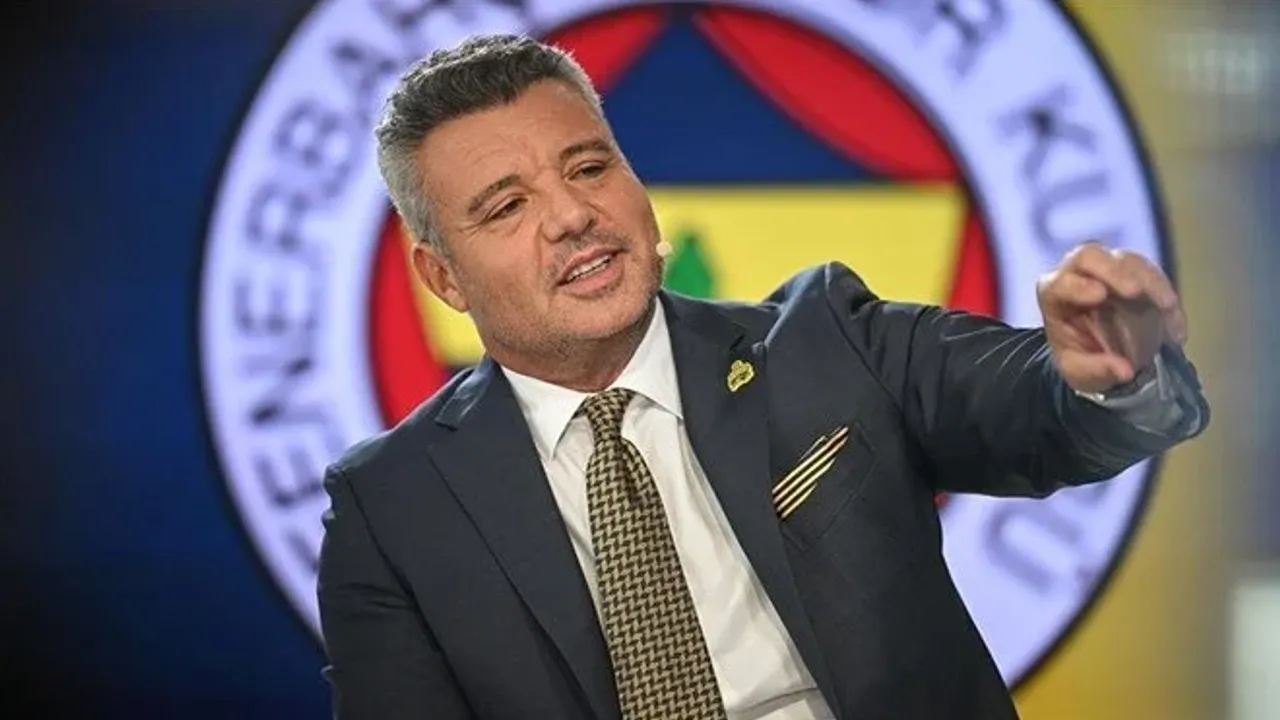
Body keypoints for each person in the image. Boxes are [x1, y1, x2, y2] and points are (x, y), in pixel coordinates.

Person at [316, 33, 1209, 720]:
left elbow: (1031, 408)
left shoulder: (822, 341)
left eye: (589, 167)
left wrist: (1108, 375)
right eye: (509, 207)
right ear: (443, 277)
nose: (573, 216)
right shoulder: (392, 505)